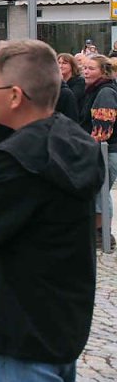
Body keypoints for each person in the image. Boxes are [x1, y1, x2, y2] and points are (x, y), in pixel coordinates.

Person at [0, 40, 102, 382]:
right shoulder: (73, 141)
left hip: (17, 330)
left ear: (15, 96)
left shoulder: (15, 161)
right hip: (61, 324)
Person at [78, 53, 117, 250]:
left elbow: (103, 130)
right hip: (99, 149)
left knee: (101, 191)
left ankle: (103, 233)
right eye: (84, 68)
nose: (86, 71)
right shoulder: (92, 90)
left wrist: (86, 144)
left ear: (103, 71)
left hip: (106, 150)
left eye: (91, 68)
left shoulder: (105, 92)